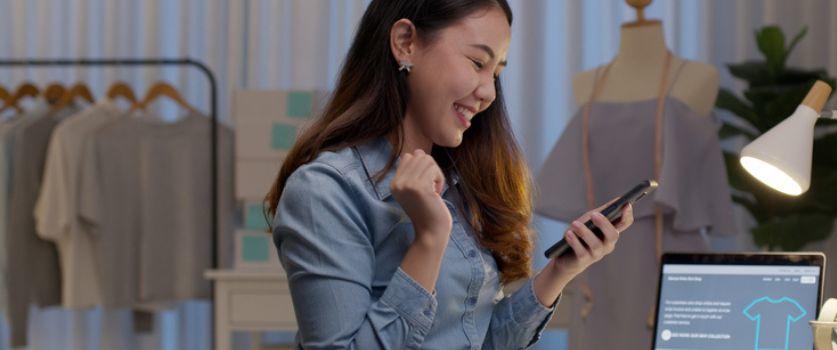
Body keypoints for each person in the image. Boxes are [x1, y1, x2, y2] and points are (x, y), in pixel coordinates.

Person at [264, 0, 636, 348]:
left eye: (497, 72)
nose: (489, 92)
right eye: (477, 63)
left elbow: (479, 340)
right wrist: (428, 240)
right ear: (406, 43)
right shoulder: (325, 192)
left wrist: (560, 271)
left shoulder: (456, 183)